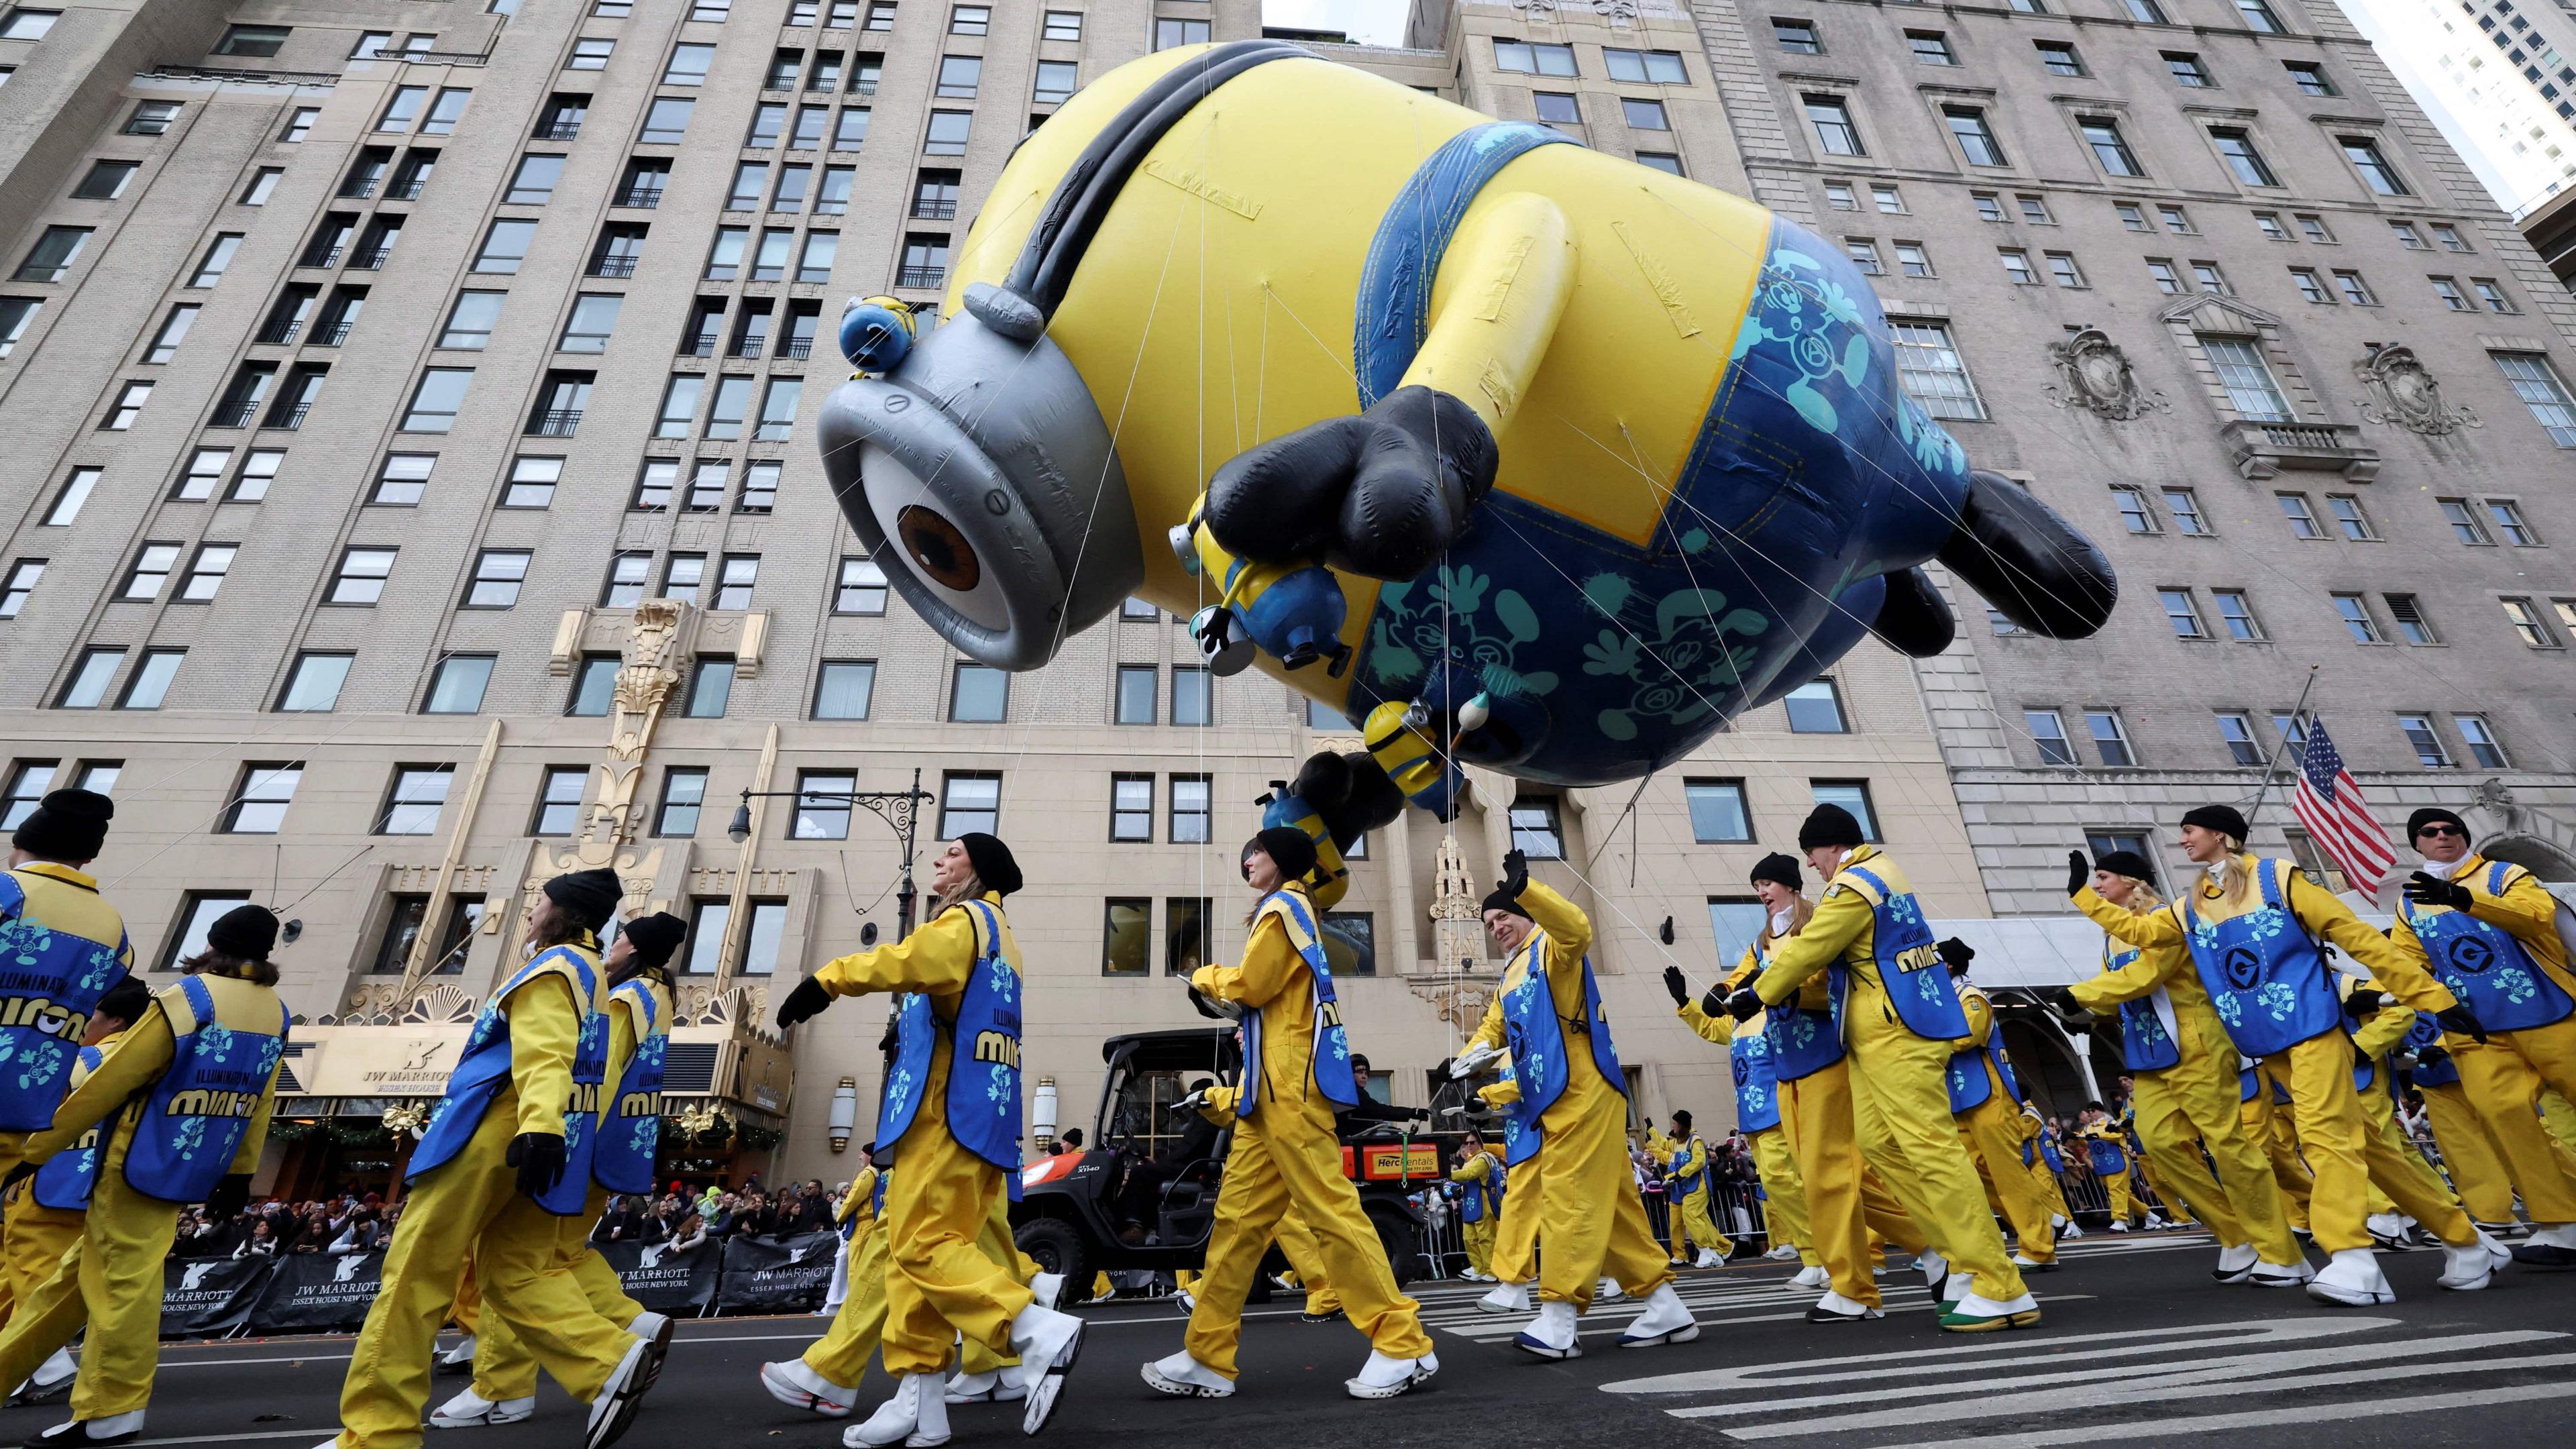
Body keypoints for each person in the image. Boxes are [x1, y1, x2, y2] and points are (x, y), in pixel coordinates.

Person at [2065, 806, 2509, 1305]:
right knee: (2370, 1147)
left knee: (2323, 1137)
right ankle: (2466, 1240)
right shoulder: (2195, 901)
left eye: (2190, 831)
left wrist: (2433, 998)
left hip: (2314, 1028)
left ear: (2220, 836)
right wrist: (2082, 895)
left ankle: (2352, 1259)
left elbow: (2358, 937)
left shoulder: (2279, 878)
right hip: (2264, 1039)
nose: (2183, 840)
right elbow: (2145, 934)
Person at [321, 869, 662, 1449]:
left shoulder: (554, 967)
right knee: (515, 1271)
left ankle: (377, 1432)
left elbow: (546, 1053)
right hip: (542, 1140)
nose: (531, 913)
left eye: (540, 903)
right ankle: (610, 1360)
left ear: (562, 914)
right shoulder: (594, 979)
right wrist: (552, 1134)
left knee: (413, 1278)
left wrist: (540, 1129)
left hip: (492, 1135)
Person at [773, 833, 1083, 1444]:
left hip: (941, 1115)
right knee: (922, 1259)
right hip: (978, 1117)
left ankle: (1033, 1329)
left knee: (918, 1246)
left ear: (977, 870)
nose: (938, 861)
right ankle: (922, 1403)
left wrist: (827, 981)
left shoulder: (962, 922)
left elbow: (905, 962)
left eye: (952, 854)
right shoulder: (1000, 935)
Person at [1140, 828, 1438, 1400]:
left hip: (1287, 1088)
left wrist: (1204, 976)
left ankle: (1403, 1344)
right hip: (1267, 1091)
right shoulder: (1292, 910)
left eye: (1256, 851)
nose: (1246, 859)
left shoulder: (1282, 908)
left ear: (1281, 860)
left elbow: (1251, 985)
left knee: (1331, 1214)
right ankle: (1207, 1354)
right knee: (1237, 1226)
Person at [1731, 805, 2035, 1332]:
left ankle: (1999, 1283)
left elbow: (1812, 950)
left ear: (1831, 846)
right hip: (1877, 1037)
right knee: (1878, 1145)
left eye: (1813, 855)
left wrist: (1755, 992)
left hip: (1895, 1033)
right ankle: (1955, 1258)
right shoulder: (1878, 875)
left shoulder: (1855, 885)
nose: (1814, 867)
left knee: (1934, 1153)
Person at [0, 905, 287, 1446]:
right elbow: (261, 1101)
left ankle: (113, 1411)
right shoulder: (276, 1011)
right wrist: (241, 1173)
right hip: (185, 1168)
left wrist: (35, 1152)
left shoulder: (192, 997)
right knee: (67, 1289)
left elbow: (108, 1083)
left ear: (212, 943)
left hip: (133, 1161)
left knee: (122, 1288)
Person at [435, 910, 687, 1430]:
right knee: (556, 1256)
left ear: (635, 950)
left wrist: (555, 1132)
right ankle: (630, 1323)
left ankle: (506, 1386)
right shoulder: (656, 996)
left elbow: (597, 1071)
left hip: (582, 1146)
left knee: (514, 1263)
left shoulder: (625, 998)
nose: (612, 945)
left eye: (621, 938)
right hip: (610, 1149)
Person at [1453, 850, 1696, 1357]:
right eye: (1491, 921)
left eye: (1505, 916)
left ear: (1526, 914)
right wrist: (1467, 1062)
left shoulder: (1552, 949)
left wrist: (1529, 889)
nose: (1497, 927)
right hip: (1552, 1102)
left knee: (1568, 1201)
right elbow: (1491, 1032)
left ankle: (1558, 1318)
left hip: (1582, 1092)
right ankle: (1665, 1307)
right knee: (1615, 1210)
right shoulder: (1509, 975)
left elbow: (1578, 930)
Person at [1688, 853, 1923, 1318]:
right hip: (1787, 1064)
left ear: (1792, 886)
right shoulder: (1762, 940)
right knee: (1824, 1179)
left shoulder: (1814, 920)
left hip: (1824, 1055)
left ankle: (1861, 1283)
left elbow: (1825, 981)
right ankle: (1930, 1247)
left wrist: (1778, 987)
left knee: (1833, 1176)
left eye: (1769, 883)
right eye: (1756, 885)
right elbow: (1741, 981)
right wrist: (1719, 995)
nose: (1761, 892)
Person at [2387, 806, 2576, 1268]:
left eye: (2451, 829)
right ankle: (2561, 1224)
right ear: (2417, 844)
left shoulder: (2504, 874)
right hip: (2479, 1030)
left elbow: (2535, 918)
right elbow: (2404, 963)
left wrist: (2460, 897)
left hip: (2549, 1012)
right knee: (2506, 1116)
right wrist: (2374, 998)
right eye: (2429, 832)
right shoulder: (2411, 900)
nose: (2442, 836)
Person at [0, 977, 151, 1404]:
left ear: (115, 1020)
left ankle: (48, 1367)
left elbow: (47, 1081)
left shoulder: (96, 1055)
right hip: (83, 1185)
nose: (83, 1022)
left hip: (54, 1183)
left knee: (34, 1279)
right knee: (18, 1280)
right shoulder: (146, 1054)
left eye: (92, 1014)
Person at [0, 790, 133, 1202]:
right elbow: (113, 978)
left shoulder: (8, 890)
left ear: (18, 844)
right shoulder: (112, 925)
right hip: (24, 1105)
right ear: (88, 857)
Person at [1937, 939, 2060, 1271]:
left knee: (2008, 1173)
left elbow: (1966, 1039)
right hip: (1961, 1098)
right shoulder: (1943, 999)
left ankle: (2039, 1247)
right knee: (1974, 1172)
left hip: (1989, 1096)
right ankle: (2041, 1223)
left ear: (1947, 966)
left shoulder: (1970, 997)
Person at [1656, 1112, 1729, 1269]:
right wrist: (1651, 1133)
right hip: (1681, 1187)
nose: (1672, 1126)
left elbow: (1699, 1161)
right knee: (1697, 1219)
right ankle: (1714, 1252)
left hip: (1697, 1185)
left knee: (1691, 1216)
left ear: (1681, 1125)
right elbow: (1664, 1146)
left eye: (1675, 1124)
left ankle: (1708, 1251)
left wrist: (1680, 1174)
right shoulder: (1676, 1143)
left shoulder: (1694, 1140)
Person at [2072, 1104, 2145, 1231]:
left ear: (2101, 1111)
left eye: (2093, 1110)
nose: (2090, 1113)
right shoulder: (2088, 1128)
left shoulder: (2112, 1123)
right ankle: (2149, 1215)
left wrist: (2098, 1136)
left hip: (2117, 1161)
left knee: (2115, 1191)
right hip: (2101, 1164)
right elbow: (2083, 1140)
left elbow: (2116, 1136)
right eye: (2088, 1111)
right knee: (2124, 1194)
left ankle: (2120, 1220)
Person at [1448, 1132, 1503, 1282]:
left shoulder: (1484, 1158)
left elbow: (1471, 1174)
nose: (1469, 1146)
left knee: (1486, 1238)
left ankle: (1492, 1271)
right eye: (1467, 1143)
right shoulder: (1470, 1160)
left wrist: (1449, 1175)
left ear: (1480, 1143)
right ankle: (1479, 1269)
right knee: (1469, 1238)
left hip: (1483, 1201)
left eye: (1472, 1142)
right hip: (1470, 1202)